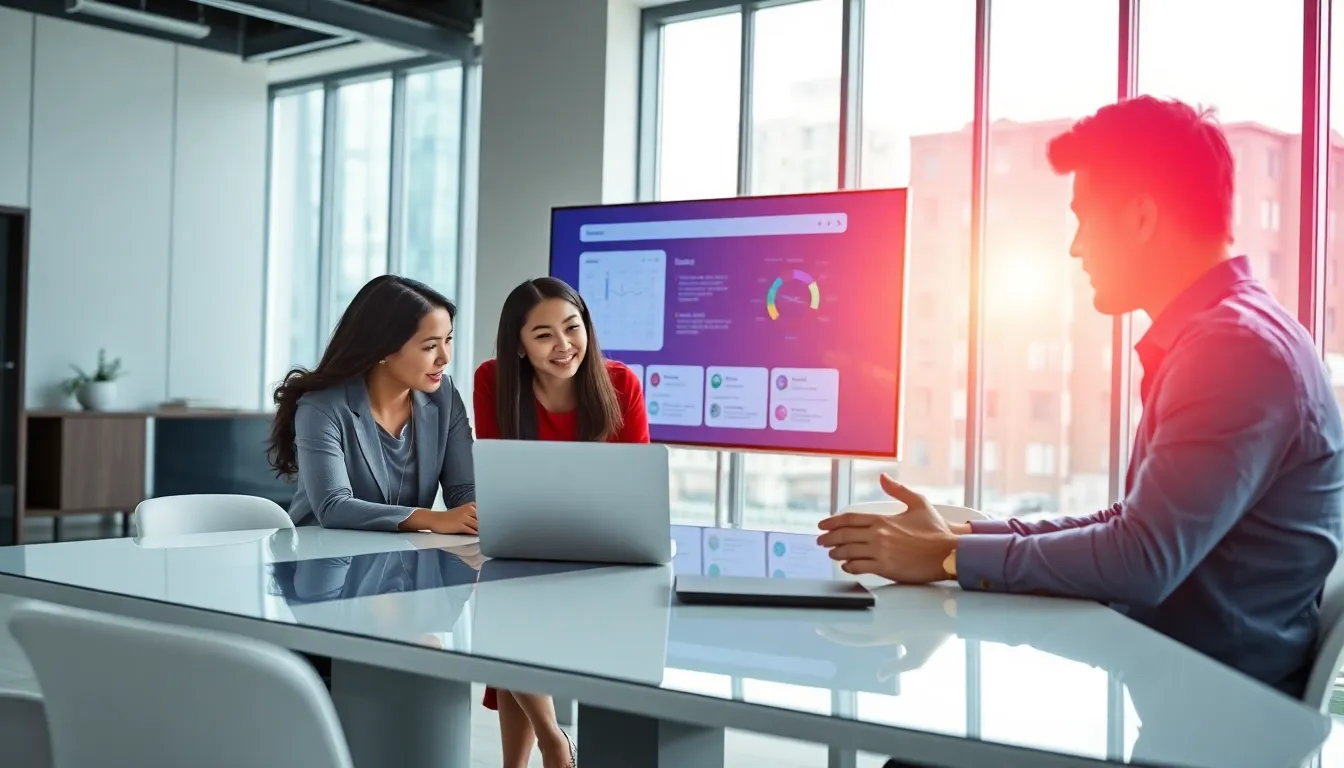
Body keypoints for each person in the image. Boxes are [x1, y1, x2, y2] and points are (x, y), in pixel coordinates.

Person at [819, 96, 1344, 698]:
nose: (1075, 246)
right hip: (1185, 686)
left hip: (1217, 715)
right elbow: (1131, 525)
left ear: (1141, 218)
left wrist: (945, 559)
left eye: (1085, 217)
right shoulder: (1224, 335)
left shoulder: (1232, 352)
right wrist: (959, 538)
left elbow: (1141, 559)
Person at [474, 276, 650, 768]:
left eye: (573, 327)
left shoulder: (620, 384)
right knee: (508, 603)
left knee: (510, 619)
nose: (564, 344)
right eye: (544, 334)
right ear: (519, 345)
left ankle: (548, 745)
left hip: (605, 543)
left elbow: (635, 487)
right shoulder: (493, 380)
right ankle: (552, 740)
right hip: (527, 538)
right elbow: (499, 472)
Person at [268, 275, 479, 535]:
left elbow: (463, 489)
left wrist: (489, 514)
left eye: (448, 340)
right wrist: (430, 519)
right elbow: (333, 505)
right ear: (384, 349)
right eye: (430, 346)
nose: (444, 357)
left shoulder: (444, 396)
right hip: (322, 551)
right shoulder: (322, 406)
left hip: (402, 554)